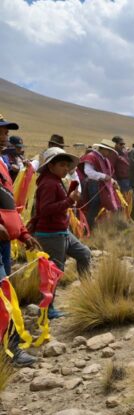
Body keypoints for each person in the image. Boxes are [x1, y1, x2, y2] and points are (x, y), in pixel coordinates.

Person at [29, 147, 91, 319]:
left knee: (84, 254)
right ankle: (48, 309)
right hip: (51, 234)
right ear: (51, 166)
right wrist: (70, 200)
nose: (66, 168)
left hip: (61, 231)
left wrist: (68, 200)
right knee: (54, 272)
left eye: (67, 165)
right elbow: (46, 210)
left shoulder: (54, 180)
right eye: (62, 165)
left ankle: (89, 292)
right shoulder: (49, 183)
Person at [0, 114, 42, 366]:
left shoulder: (3, 163)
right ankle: (11, 350)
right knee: (3, 293)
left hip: (5, 240)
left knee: (6, 288)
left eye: (6, 132)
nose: (4, 136)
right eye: (1, 132)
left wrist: (24, 233)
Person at [80, 139, 119, 228]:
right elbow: (88, 172)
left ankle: (93, 226)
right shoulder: (91, 156)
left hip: (102, 186)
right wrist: (104, 176)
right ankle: (88, 228)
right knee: (94, 205)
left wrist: (112, 181)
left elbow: (108, 174)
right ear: (102, 149)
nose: (109, 153)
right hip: (93, 185)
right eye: (108, 150)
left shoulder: (105, 160)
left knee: (99, 206)